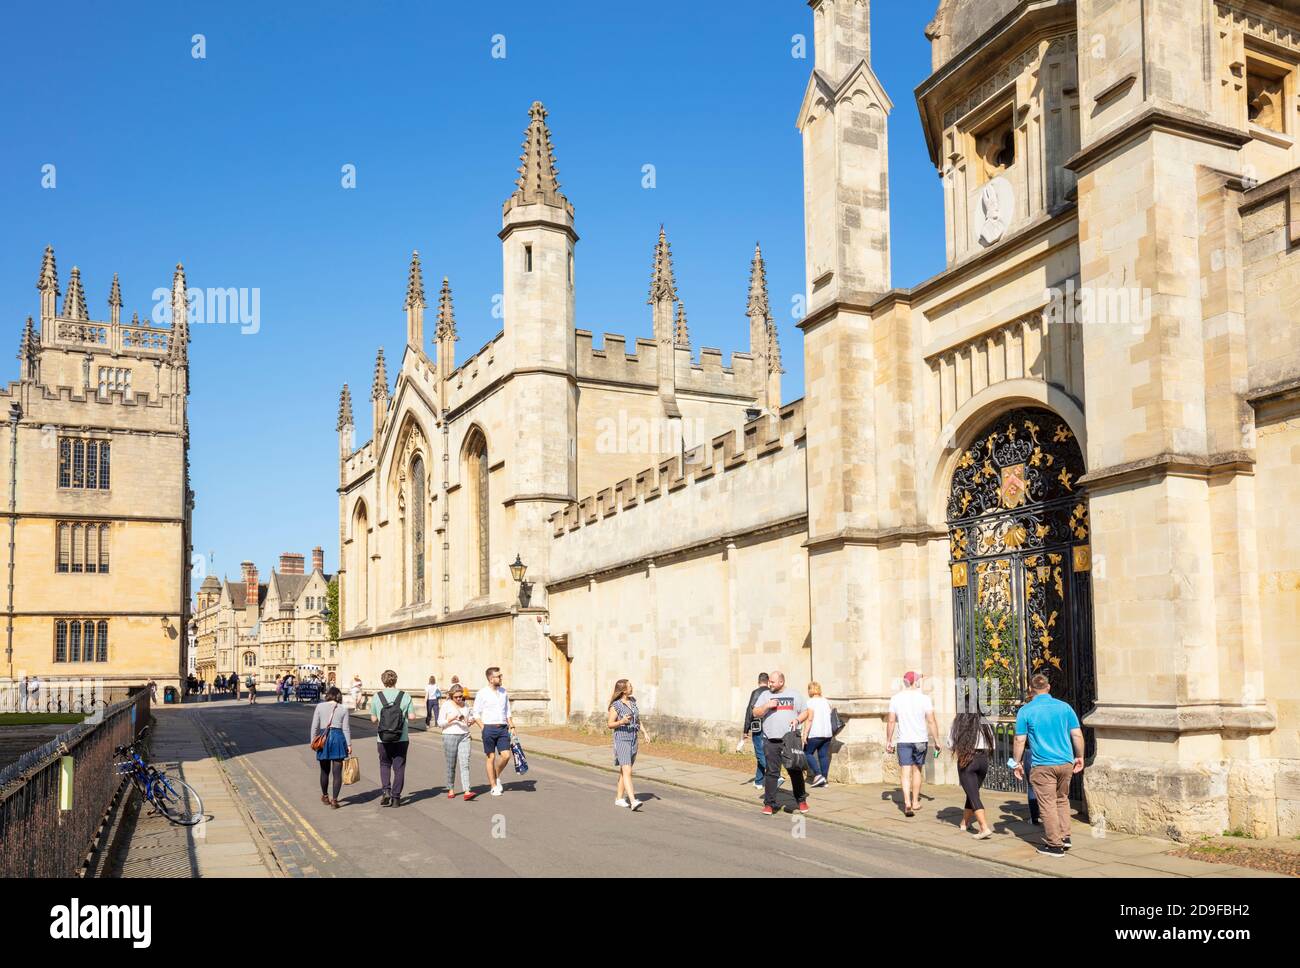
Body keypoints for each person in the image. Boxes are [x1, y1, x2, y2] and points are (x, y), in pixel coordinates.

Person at [1013, 673, 1084, 857]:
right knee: (1062, 799)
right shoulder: (1065, 708)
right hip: (1065, 762)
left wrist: (1016, 763)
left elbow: (1020, 740)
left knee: (1047, 804)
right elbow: (1076, 734)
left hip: (1042, 764)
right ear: (1049, 687)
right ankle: (1065, 836)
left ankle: (1054, 845)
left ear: (1030, 689)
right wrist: (1080, 756)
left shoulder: (1026, 711)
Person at [751, 670, 810, 816]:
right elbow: (755, 713)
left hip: (789, 740)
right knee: (771, 773)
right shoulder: (765, 695)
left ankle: (801, 800)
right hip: (771, 740)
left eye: (772, 681)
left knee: (795, 771)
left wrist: (797, 720)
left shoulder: (794, 694)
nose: (769, 683)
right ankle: (769, 804)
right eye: (769, 681)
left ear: (781, 682)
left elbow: (805, 712)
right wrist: (767, 706)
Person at [885, 670, 941, 817]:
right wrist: (937, 740)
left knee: (905, 772)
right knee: (917, 771)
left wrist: (888, 740)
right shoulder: (924, 699)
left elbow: (891, 721)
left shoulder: (895, 699)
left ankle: (907, 802)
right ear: (915, 682)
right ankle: (915, 801)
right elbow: (931, 720)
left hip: (904, 740)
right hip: (920, 740)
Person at [369, 669, 416, 807]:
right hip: (401, 737)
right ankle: (396, 798)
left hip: (383, 738)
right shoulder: (405, 696)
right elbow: (412, 717)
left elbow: (373, 719)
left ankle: (386, 791)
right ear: (396, 680)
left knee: (384, 764)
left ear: (383, 681)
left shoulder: (377, 697)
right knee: (399, 767)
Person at [949, 708, 995, 839]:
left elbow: (950, 743)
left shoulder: (958, 723)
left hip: (967, 759)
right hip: (983, 761)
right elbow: (993, 743)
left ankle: (983, 827)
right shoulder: (985, 722)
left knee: (974, 795)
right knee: (972, 792)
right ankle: (964, 822)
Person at [472, 666, 514, 797]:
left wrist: (511, 725)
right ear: (491, 679)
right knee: (491, 757)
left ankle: (496, 775)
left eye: (501, 676)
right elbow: (476, 713)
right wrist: (483, 727)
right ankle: (494, 786)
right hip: (488, 728)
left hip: (502, 728)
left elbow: (507, 710)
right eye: (498, 676)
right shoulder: (482, 693)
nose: (501, 678)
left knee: (506, 756)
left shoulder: (503, 692)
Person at [607, 679, 649, 810]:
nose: (632, 687)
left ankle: (619, 798)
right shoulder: (616, 705)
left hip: (633, 739)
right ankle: (633, 800)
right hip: (622, 739)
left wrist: (645, 732)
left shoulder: (633, 701)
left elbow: (638, 719)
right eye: (630, 686)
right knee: (627, 770)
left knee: (624, 771)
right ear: (623, 690)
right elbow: (609, 724)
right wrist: (622, 721)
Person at [311, 686, 353, 809]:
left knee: (324, 771)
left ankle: (325, 796)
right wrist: (349, 744)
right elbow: (346, 729)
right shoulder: (343, 709)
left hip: (324, 738)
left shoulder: (320, 706)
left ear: (328, 695)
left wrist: (313, 741)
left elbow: (314, 726)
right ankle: (334, 800)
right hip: (339, 738)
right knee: (337, 773)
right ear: (339, 696)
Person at [438, 684, 476, 800]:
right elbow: (440, 723)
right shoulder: (446, 705)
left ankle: (467, 791)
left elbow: (469, 720)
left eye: (461, 696)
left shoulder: (466, 706)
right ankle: (451, 789)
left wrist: (470, 721)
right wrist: (451, 719)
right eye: (456, 697)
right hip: (449, 735)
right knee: (451, 764)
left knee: (465, 764)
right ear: (451, 696)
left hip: (464, 736)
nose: (459, 699)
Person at [740, 672, 771, 790]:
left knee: (759, 753)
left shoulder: (756, 693)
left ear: (758, 682)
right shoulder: (771, 693)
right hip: (770, 726)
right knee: (763, 753)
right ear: (768, 681)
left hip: (758, 727)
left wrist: (745, 730)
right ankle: (758, 781)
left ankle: (774, 774)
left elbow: (749, 711)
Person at [802, 681, 833, 788]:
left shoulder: (810, 702)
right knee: (823, 755)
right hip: (827, 733)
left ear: (810, 690)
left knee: (807, 753)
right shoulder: (826, 701)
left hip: (815, 733)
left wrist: (805, 734)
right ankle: (824, 780)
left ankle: (818, 774)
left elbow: (810, 718)